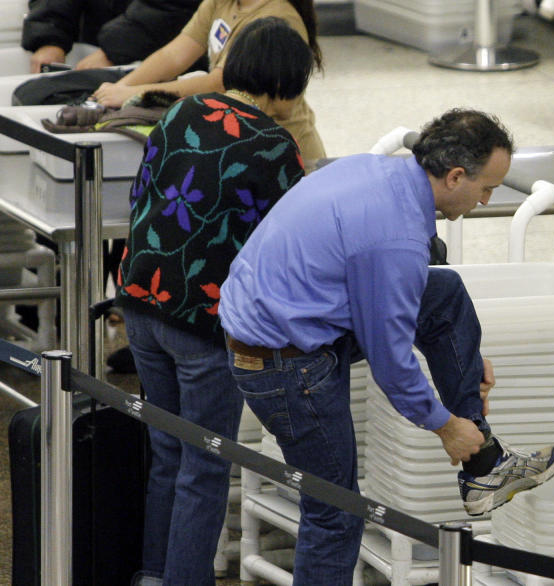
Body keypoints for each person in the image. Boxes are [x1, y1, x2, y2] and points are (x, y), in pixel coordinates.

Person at [218, 108, 554, 584]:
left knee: (444, 296)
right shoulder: (395, 237)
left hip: (289, 319)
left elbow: (402, 308)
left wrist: (459, 354)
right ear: (454, 176)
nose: (487, 201)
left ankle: (483, 464)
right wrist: (445, 427)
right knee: (336, 514)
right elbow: (391, 362)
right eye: (486, 188)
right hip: (282, 364)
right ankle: (474, 450)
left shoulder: (377, 170)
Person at [114, 17, 312, 585]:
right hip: (202, 320)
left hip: (140, 301)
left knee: (169, 453)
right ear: (287, 81)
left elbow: (142, 196)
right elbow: (289, 242)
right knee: (204, 464)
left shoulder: (179, 113)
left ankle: (153, 574)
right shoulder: (275, 146)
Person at [89, 0, 325, 164]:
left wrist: (135, 94)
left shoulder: (279, 17)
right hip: (242, 145)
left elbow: (220, 83)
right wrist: (120, 90)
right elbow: (174, 55)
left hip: (285, 151)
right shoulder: (219, 3)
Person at [21, 0, 202, 73]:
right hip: (97, 48)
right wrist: (50, 37)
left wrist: (115, 50)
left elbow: (174, 5)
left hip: (177, 60)